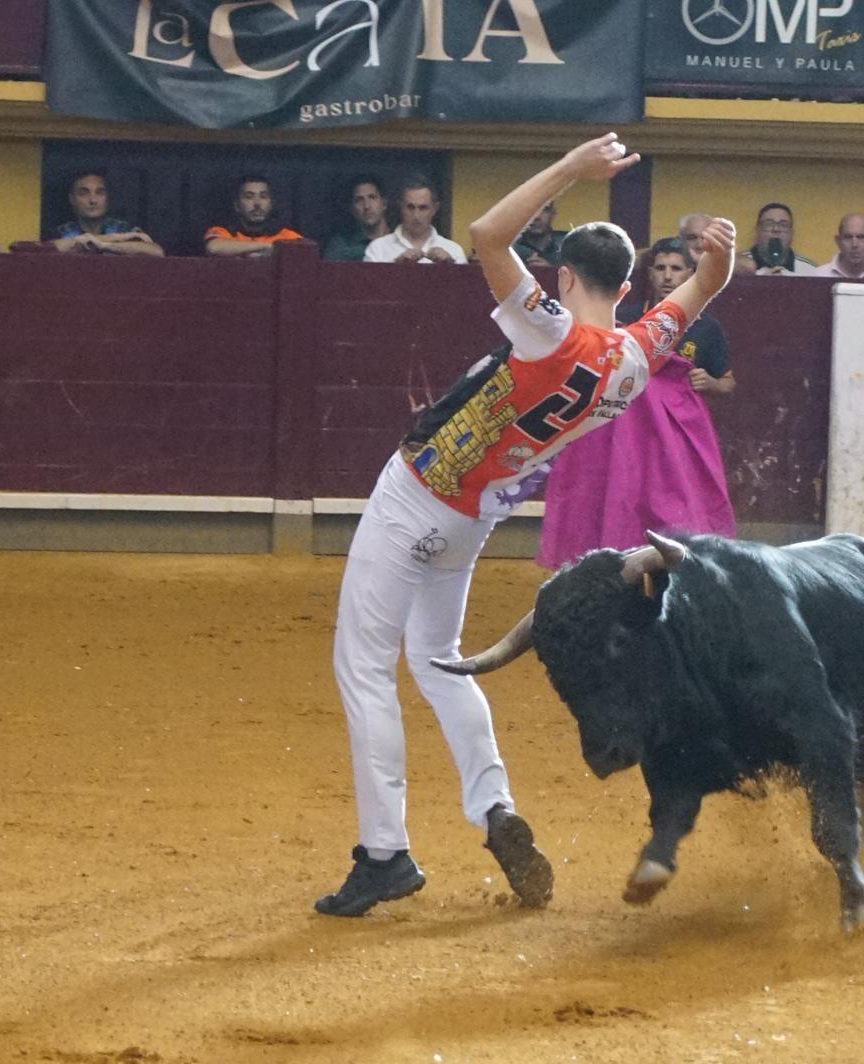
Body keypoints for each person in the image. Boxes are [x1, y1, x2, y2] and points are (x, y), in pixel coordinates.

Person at [316, 133, 737, 919]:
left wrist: (574, 169)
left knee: (366, 667)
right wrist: (720, 255)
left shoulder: (548, 329)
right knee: (440, 663)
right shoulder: (635, 356)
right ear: (627, 285)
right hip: (474, 519)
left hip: (415, 495)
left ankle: (384, 853)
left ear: (564, 276)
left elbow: (485, 234)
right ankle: (494, 809)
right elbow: (704, 289)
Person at [536, 236, 737, 569]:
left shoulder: (706, 328)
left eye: (676, 268)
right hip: (625, 429)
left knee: (674, 498)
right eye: (660, 268)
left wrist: (712, 383)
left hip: (674, 434)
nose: (668, 276)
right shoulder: (627, 317)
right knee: (621, 489)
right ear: (650, 273)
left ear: (690, 273)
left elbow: (728, 382)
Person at [50, 172, 164, 256]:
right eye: (83, 194)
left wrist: (104, 245)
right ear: (72, 199)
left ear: (108, 198)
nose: (93, 200)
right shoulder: (62, 231)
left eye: (100, 193)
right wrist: (117, 238)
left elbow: (156, 252)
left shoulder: (123, 228)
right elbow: (50, 249)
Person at [363, 176, 466, 264]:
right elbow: (368, 282)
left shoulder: (454, 251)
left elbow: (465, 282)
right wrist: (395, 266)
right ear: (401, 207)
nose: (416, 215)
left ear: (435, 209)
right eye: (410, 207)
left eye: (423, 208)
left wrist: (451, 267)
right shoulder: (377, 249)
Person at [204, 175, 303, 257]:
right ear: (237, 206)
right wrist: (267, 247)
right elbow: (213, 248)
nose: (257, 203)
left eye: (263, 196)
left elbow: (304, 253)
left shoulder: (287, 235)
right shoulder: (224, 232)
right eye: (249, 197)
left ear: (271, 204)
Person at [735, 203, 817, 275]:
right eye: (768, 224)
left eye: (783, 225)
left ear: (791, 233)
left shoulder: (810, 270)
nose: (776, 229)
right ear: (757, 230)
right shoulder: (736, 267)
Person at [323, 175, 391, 262]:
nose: (366, 206)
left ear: (384, 204)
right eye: (359, 200)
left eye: (372, 197)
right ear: (352, 208)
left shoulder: (401, 238)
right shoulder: (340, 247)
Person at [511, 200, 567, 267]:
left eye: (544, 209)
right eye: (529, 210)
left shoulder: (570, 245)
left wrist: (551, 270)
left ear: (553, 214)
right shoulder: (511, 250)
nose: (537, 216)